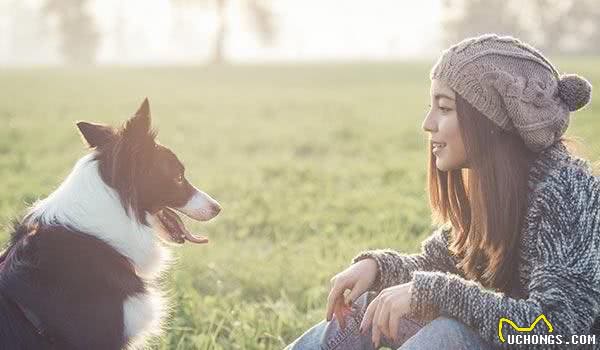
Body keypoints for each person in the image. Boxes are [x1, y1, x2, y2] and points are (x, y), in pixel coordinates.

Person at [284, 33, 598, 350]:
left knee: (450, 334)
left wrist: (434, 292)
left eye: (444, 108)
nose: (428, 123)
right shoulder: (497, 191)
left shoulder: (569, 193)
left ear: (490, 123)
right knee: (368, 304)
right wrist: (377, 268)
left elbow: (560, 330)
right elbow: (436, 266)